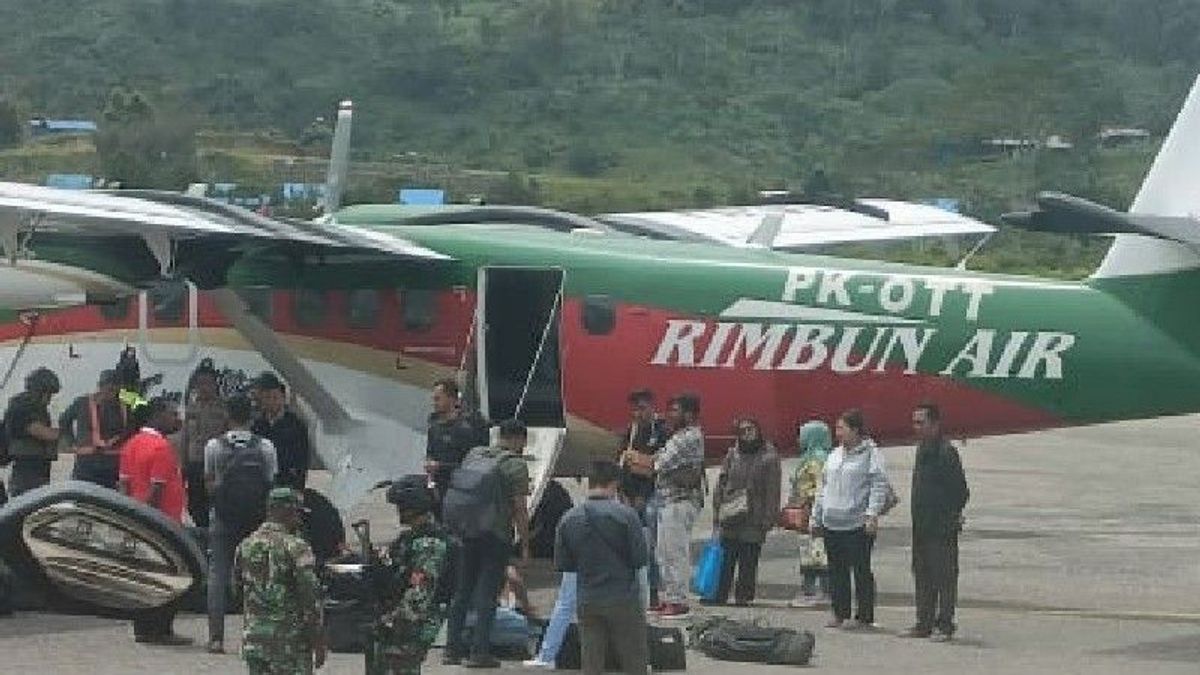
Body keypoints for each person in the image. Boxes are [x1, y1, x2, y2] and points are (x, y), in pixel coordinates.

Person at [443, 418, 531, 669]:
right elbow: (520, 509)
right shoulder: (515, 465)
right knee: (487, 593)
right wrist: (524, 544)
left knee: (462, 590)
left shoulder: (475, 454)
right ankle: (479, 652)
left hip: (466, 529)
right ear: (519, 439)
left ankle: (451, 649)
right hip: (495, 535)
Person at [555, 460, 649, 675]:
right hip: (623, 598)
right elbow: (639, 559)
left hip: (588, 598)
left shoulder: (569, 518)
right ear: (615, 483)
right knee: (634, 660)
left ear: (589, 482)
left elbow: (564, 564)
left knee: (591, 661)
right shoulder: (627, 516)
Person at [205, 394, 278, 654]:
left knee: (218, 576)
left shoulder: (214, 446)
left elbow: (209, 484)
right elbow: (271, 483)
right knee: (258, 577)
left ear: (228, 415)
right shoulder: (266, 447)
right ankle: (257, 636)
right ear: (251, 417)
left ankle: (216, 638)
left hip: (223, 517)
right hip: (256, 520)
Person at [116, 396, 191, 645]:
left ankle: (143, 628)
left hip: (136, 521)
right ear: (157, 415)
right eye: (172, 414)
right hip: (163, 522)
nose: (177, 419)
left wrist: (131, 516)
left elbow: (124, 485)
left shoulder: (131, 444)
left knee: (141, 576)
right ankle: (161, 629)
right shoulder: (161, 448)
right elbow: (156, 490)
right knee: (169, 576)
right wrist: (152, 520)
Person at [811, 409, 890, 630]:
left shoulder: (870, 454)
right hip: (832, 522)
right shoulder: (834, 455)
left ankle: (864, 616)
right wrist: (816, 517)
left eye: (841, 428)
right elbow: (822, 487)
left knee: (861, 570)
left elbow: (878, 485)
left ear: (855, 430)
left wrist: (872, 514)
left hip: (857, 522)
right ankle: (840, 613)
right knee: (837, 571)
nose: (838, 433)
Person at [367, 474, 454, 675]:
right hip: (399, 620)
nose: (399, 512)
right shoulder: (410, 537)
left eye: (401, 506)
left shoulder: (428, 544)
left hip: (410, 625)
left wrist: (392, 620)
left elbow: (420, 593)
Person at [235, 487, 326, 674]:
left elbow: (236, 588)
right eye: (297, 513)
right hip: (289, 642)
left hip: (255, 638)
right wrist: (317, 637)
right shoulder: (296, 547)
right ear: (287, 512)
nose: (299, 519)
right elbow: (310, 595)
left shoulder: (245, 545)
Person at [899, 403, 970, 642]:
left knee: (944, 579)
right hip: (921, 528)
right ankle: (923, 623)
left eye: (921, 422)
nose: (916, 427)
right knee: (922, 575)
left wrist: (949, 516)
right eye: (914, 422)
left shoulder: (946, 452)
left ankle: (945, 624)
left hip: (941, 529)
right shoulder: (922, 450)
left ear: (935, 424)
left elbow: (961, 491)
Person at [710, 418, 781, 607]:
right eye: (743, 431)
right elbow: (722, 482)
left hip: (754, 514)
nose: (747, 434)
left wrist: (769, 518)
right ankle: (719, 594)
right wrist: (717, 508)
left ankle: (744, 595)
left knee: (749, 558)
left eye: (751, 429)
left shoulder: (769, 457)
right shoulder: (733, 454)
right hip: (731, 511)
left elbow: (773, 489)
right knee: (726, 557)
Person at [653, 393, 705, 619]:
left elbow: (658, 463)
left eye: (675, 410)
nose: (669, 415)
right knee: (663, 552)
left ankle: (679, 600)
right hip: (668, 499)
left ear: (689, 414)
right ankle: (670, 596)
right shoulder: (678, 436)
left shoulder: (688, 437)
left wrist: (634, 457)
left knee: (675, 552)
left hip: (680, 500)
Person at [617, 389, 666, 607]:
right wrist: (624, 494)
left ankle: (653, 590)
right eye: (635, 409)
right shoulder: (630, 432)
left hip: (651, 494)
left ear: (652, 407)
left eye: (642, 408)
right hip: (629, 494)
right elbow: (622, 466)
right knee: (629, 545)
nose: (638, 413)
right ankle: (632, 588)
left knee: (651, 547)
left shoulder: (662, 432)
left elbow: (659, 467)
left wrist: (642, 497)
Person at [424, 378, 489, 509]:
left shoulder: (468, 427)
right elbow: (430, 453)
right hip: (441, 487)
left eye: (438, 399)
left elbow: (474, 463)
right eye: (434, 399)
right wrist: (430, 478)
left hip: (464, 489)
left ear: (451, 399)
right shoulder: (434, 427)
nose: (434, 403)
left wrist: (440, 466)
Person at [788, 420, 833, 608]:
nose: (799, 439)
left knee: (817, 552)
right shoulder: (810, 457)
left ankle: (819, 591)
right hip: (807, 511)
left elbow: (819, 486)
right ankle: (811, 590)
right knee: (811, 552)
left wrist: (808, 504)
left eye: (802, 434)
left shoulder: (816, 459)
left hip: (813, 511)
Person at [59, 370, 126, 489]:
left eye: (115, 389)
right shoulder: (82, 402)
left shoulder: (124, 405)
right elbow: (64, 421)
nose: (111, 392)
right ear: (100, 386)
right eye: (108, 387)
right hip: (86, 463)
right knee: (83, 499)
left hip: (113, 464)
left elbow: (133, 425)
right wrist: (71, 443)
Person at [182, 361, 229, 527]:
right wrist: (183, 465)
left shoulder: (224, 409)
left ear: (215, 385)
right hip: (195, 463)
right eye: (200, 383)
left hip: (216, 464)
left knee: (216, 504)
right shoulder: (191, 408)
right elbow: (185, 438)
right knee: (195, 505)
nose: (204, 387)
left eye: (208, 383)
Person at [4, 368, 61, 497]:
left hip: (36, 469)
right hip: (27, 471)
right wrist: (67, 435)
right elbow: (39, 431)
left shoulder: (34, 406)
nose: (49, 399)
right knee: (27, 507)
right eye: (48, 394)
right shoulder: (22, 405)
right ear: (40, 390)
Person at [252, 372, 311, 490]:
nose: (270, 402)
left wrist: (298, 488)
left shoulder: (295, 425)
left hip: (286, 485)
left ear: (283, 398)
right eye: (266, 397)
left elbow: (301, 462)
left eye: (274, 397)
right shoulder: (257, 425)